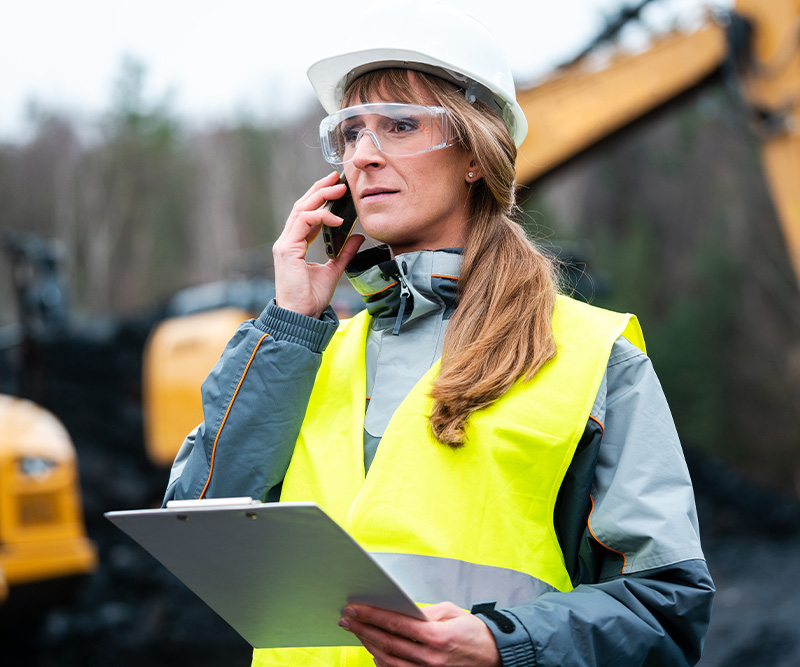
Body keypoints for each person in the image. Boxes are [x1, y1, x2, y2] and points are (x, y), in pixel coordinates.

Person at [163, 3, 714, 665]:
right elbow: (200, 522)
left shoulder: (590, 359)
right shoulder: (306, 351)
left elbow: (666, 607)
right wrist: (290, 321)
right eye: (349, 133)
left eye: (398, 125)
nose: (363, 155)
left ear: (475, 154)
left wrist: (502, 645)